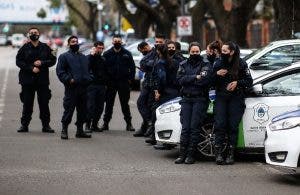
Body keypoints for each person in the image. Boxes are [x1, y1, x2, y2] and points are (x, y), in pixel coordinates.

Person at [213, 42, 253, 165]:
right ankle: (219, 154)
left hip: (236, 98)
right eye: (222, 51)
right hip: (221, 98)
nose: (222, 53)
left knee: (232, 127)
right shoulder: (218, 63)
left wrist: (237, 83)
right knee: (220, 125)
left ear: (232, 52)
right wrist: (216, 74)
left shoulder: (241, 63)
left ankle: (231, 154)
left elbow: (249, 81)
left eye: (225, 51)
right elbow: (208, 81)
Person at [175, 42, 212, 164]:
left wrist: (189, 79)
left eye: (197, 52)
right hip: (186, 99)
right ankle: (182, 154)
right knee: (185, 128)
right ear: (189, 52)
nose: (195, 53)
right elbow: (180, 80)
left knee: (194, 128)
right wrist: (195, 77)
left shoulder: (206, 64)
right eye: (193, 52)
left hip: (199, 99)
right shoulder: (183, 64)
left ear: (199, 52)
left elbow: (204, 81)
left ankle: (191, 155)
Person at [16, 27, 56, 133]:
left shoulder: (46, 47)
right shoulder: (24, 48)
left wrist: (42, 63)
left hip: (42, 81)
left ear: (39, 34)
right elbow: (18, 61)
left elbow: (53, 60)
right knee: (27, 103)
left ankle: (46, 125)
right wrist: (30, 68)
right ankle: (24, 125)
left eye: (36, 32)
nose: (34, 34)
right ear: (29, 35)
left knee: (44, 103)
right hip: (27, 81)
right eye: (32, 33)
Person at [56, 35, 92, 140]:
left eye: (76, 41)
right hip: (71, 88)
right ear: (68, 44)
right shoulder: (64, 56)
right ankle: (64, 130)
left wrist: (89, 79)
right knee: (69, 110)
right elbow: (60, 72)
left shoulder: (84, 57)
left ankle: (80, 130)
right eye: (72, 41)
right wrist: (69, 79)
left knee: (83, 111)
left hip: (84, 88)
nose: (75, 43)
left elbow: (89, 71)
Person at [144, 44, 181, 145]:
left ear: (158, 52)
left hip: (165, 92)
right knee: (171, 114)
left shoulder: (161, 63)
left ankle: (154, 137)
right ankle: (166, 140)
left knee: (157, 112)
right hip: (175, 91)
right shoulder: (174, 62)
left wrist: (158, 91)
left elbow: (162, 78)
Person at [100, 34, 135, 131]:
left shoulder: (127, 53)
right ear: (112, 42)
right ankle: (105, 123)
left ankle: (129, 124)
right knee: (109, 104)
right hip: (111, 83)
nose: (117, 43)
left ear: (122, 42)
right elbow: (103, 69)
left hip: (123, 83)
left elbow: (132, 68)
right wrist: (106, 81)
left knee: (125, 104)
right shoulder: (107, 54)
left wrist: (130, 79)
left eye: (119, 41)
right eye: (115, 41)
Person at [133, 41, 156, 137]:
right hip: (147, 82)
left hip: (152, 84)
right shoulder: (148, 55)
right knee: (142, 103)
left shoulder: (155, 53)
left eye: (142, 50)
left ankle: (150, 124)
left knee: (146, 104)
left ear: (146, 47)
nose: (142, 52)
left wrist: (144, 65)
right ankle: (147, 124)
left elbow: (152, 65)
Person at [85, 41, 107, 133]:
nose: (100, 50)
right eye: (99, 48)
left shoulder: (103, 59)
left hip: (101, 86)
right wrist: (91, 55)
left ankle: (94, 124)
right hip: (91, 85)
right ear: (94, 48)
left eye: (102, 48)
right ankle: (87, 125)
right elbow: (86, 67)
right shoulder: (89, 58)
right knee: (90, 106)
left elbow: (105, 72)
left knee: (100, 107)